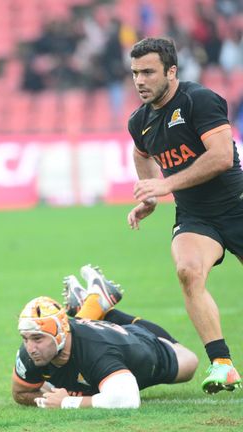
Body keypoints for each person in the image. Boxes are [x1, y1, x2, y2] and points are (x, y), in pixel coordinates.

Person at [126, 37, 243, 393]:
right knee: (188, 271)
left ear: (171, 71)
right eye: (134, 73)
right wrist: (150, 194)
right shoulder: (140, 121)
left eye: (148, 72)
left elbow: (222, 156)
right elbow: (141, 152)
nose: (140, 81)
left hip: (236, 205)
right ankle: (222, 364)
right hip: (195, 216)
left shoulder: (198, 100)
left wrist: (165, 184)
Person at [12, 265, 199, 409]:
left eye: (37, 339)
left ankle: (101, 306)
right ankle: (94, 304)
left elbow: (127, 400)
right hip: (94, 333)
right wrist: (46, 400)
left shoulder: (96, 350)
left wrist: (67, 402)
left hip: (144, 345)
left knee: (190, 362)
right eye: (25, 338)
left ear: (60, 334)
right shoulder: (30, 351)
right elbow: (20, 393)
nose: (30, 347)